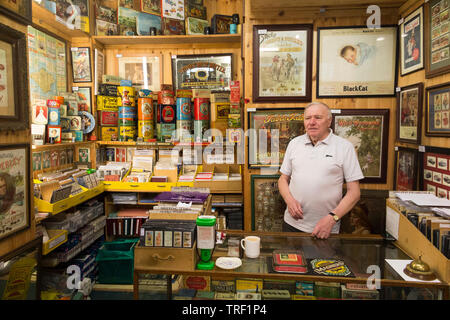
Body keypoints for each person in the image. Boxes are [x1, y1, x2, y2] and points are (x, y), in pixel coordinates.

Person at [278, 102, 364, 239]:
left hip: (325, 228)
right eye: (308, 118)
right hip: (291, 225)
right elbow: (283, 179)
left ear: (329, 121)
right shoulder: (294, 143)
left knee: (320, 261)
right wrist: (289, 200)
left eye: (318, 117)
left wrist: (332, 218)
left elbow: (354, 193)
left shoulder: (344, 147)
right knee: (290, 260)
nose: (312, 122)